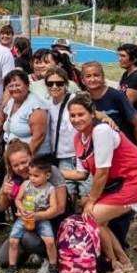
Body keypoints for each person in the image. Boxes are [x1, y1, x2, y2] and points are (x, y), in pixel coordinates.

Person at [68, 92, 137, 273]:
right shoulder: (78, 138)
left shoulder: (101, 131)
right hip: (115, 182)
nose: (76, 119)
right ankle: (123, 262)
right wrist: (51, 172)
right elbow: (81, 174)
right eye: (73, 115)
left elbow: (102, 172)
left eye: (81, 114)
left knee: (93, 218)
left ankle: (113, 265)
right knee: (98, 221)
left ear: (92, 113)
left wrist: (91, 201)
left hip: (134, 179)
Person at [3, 154, 67, 273]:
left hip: (42, 218)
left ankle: (53, 266)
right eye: (31, 175)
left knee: (49, 241)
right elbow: (18, 199)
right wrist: (21, 209)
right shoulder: (26, 185)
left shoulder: (51, 189)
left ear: (47, 176)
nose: (32, 178)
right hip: (24, 218)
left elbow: (54, 208)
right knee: (13, 240)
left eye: (36, 176)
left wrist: (38, 215)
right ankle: (12, 267)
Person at [0, 140, 49, 273]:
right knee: (3, 261)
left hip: (45, 226)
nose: (21, 168)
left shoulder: (43, 172)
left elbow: (58, 208)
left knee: (27, 238)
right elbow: (1, 207)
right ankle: (33, 254)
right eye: (16, 165)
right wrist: (3, 192)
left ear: (32, 157)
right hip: (23, 227)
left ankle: (50, 259)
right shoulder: (11, 179)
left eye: (24, 162)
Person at [43, 67, 91, 200]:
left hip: (82, 155)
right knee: (66, 195)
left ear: (66, 84)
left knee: (86, 197)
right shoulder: (47, 105)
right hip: (63, 156)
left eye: (59, 83)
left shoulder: (75, 100)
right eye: (50, 83)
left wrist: (106, 118)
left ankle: (85, 220)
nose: (54, 86)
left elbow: (92, 115)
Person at [80, 61, 137, 152]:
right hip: (100, 150)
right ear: (83, 80)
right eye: (88, 76)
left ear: (103, 77)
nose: (93, 79)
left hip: (123, 149)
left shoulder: (116, 96)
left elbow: (136, 123)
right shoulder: (84, 100)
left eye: (96, 75)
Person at [1, 69, 49, 156]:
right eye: (10, 86)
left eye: (18, 85)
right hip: (14, 157)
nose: (14, 88)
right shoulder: (11, 102)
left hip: (33, 159)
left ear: (27, 85)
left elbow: (39, 137)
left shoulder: (35, 107)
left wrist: (25, 159)